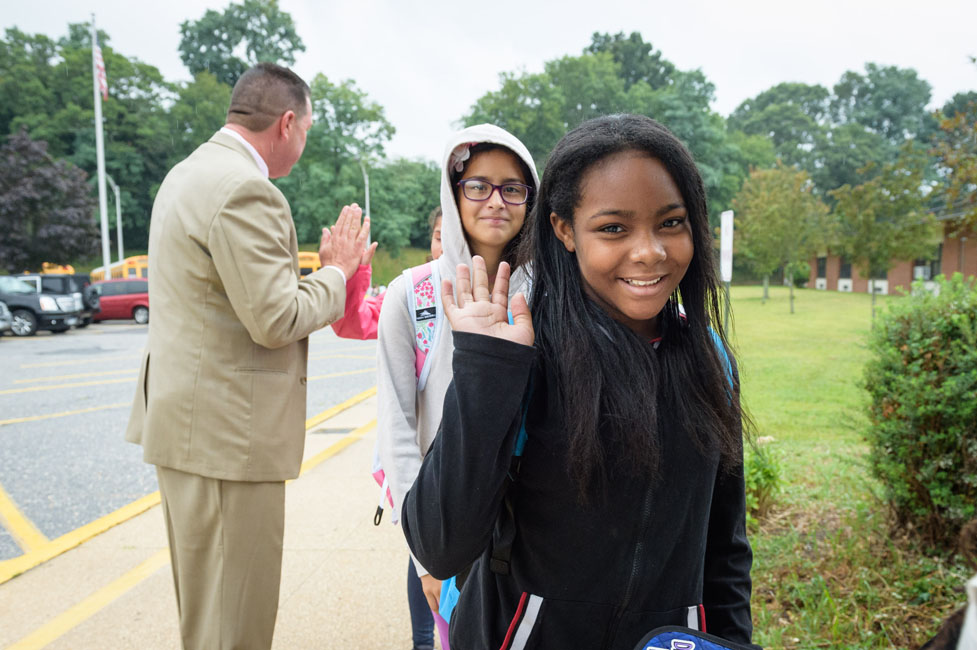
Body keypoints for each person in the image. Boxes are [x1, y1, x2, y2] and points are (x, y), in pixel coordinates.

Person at [402, 114, 757, 649]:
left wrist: (734, 642)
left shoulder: (709, 362)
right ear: (564, 229)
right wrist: (485, 368)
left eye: (671, 223)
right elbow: (440, 544)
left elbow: (724, 546)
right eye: (613, 228)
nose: (649, 252)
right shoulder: (522, 354)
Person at [124, 63, 367, 650]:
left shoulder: (188, 173)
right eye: (306, 129)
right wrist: (336, 271)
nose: (303, 143)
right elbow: (276, 317)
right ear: (287, 123)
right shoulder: (245, 188)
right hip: (227, 438)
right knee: (236, 624)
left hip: (192, 428)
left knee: (207, 612)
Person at [377, 124, 538, 650]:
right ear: (454, 191)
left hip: (530, 530)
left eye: (512, 187)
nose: (496, 201)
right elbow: (396, 428)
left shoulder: (552, 294)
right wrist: (426, 555)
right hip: (441, 519)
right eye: (478, 186)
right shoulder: (412, 294)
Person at [329, 206, 441, 340]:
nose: (445, 247)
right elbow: (353, 323)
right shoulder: (412, 290)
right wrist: (352, 273)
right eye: (439, 238)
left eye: (455, 238)